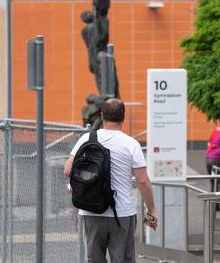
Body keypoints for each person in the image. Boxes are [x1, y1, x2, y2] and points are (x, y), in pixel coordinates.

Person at [64, 98, 157, 263]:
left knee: (94, 259)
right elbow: (142, 181)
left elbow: (67, 170)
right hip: (122, 213)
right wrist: (151, 210)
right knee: (123, 259)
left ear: (102, 115)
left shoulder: (86, 139)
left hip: (90, 210)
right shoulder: (130, 144)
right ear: (123, 117)